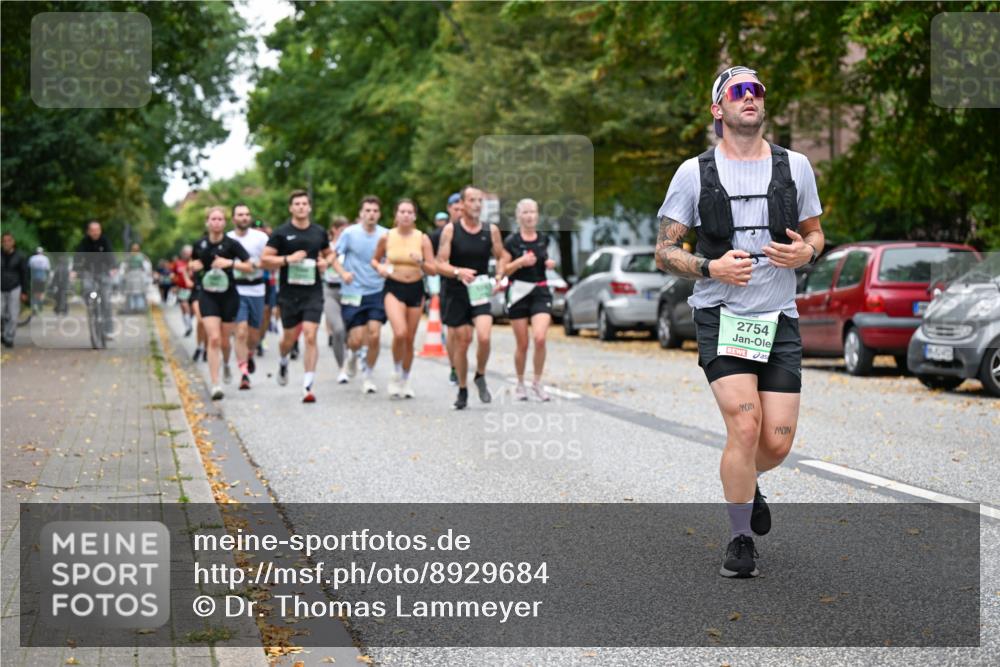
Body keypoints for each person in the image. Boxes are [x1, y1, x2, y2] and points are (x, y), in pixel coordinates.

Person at [654, 66, 824, 579]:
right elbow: (664, 250)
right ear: (718, 109)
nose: (749, 98)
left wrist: (805, 255)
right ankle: (739, 539)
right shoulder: (694, 173)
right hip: (722, 317)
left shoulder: (796, 166)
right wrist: (711, 267)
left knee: (776, 440)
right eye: (737, 92)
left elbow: (816, 235)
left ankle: (748, 484)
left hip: (781, 319)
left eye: (757, 91)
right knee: (744, 426)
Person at [435, 185, 505, 410]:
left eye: (479, 201)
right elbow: (439, 264)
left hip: (480, 291)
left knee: (484, 337)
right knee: (463, 341)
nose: (476, 205)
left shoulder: (490, 230)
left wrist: (499, 276)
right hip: (457, 292)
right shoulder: (451, 231)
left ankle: (480, 374)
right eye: (472, 200)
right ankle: (463, 388)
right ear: (462, 204)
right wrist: (458, 272)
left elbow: (502, 256)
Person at [261, 190, 331, 403]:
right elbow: (264, 259)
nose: (301, 207)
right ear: (291, 208)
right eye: (297, 204)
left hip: (313, 292)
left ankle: (307, 386)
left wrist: (324, 263)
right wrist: (288, 259)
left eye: (304, 203)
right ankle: (283, 360)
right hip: (290, 294)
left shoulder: (319, 232)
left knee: (310, 335)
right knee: (288, 339)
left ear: (309, 207)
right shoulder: (281, 233)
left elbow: (328, 254)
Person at [371, 199, 437, 398]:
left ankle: (406, 379)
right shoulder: (387, 237)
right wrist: (380, 267)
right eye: (402, 211)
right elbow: (374, 260)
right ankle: (396, 372)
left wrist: (421, 262)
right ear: (396, 215)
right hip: (394, 287)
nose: (406, 215)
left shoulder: (422, 238)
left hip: (416, 288)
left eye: (410, 212)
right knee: (399, 332)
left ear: (415, 216)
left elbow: (433, 269)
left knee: (409, 338)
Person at [188, 207, 252, 400]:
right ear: (207, 222)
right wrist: (194, 266)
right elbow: (192, 264)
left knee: (225, 340)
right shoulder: (199, 244)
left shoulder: (232, 244)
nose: (216, 222)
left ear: (225, 223)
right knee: (213, 338)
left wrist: (230, 264)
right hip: (208, 295)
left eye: (220, 219)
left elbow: (250, 266)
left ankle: (226, 364)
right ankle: (215, 384)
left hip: (229, 295)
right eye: (213, 219)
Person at [499, 198, 557, 401]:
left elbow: (547, 259)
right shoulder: (511, 242)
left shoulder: (544, 239)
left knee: (540, 339)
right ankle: (520, 383)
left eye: (533, 212)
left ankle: (537, 383)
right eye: (525, 212)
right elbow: (503, 269)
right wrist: (520, 262)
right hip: (518, 292)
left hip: (540, 291)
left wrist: (549, 263)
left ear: (537, 215)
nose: (530, 216)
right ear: (518, 216)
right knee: (522, 344)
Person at [332, 195, 389, 394]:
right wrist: (343, 273)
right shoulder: (349, 233)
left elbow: (391, 259)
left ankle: (368, 375)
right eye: (367, 211)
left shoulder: (386, 235)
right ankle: (352, 355)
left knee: (374, 334)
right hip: (353, 291)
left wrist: (386, 268)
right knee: (356, 339)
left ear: (379, 214)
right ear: (361, 214)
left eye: (375, 211)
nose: (371, 214)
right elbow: (333, 258)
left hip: (377, 290)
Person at [227, 203, 269, 391]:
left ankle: (250, 353)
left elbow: (269, 260)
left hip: (257, 289)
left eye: (247, 214)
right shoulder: (227, 239)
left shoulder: (260, 238)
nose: (244, 217)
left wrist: (255, 265)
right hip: (236, 290)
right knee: (240, 331)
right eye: (240, 214)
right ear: (233, 218)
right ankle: (244, 373)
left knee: (254, 335)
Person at [73, 220, 116, 339]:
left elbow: (110, 254)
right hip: (89, 272)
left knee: (106, 301)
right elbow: (78, 256)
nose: (95, 233)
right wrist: (74, 270)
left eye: (97, 230)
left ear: (100, 231)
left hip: (104, 272)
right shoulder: (84, 242)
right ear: (88, 231)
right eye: (93, 230)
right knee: (87, 288)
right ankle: (91, 303)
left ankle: (108, 330)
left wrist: (113, 267)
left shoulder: (105, 241)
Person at [323, 215, 350, 383]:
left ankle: (353, 356)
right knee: (338, 329)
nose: (344, 233)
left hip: (350, 291)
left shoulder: (352, 246)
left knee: (353, 333)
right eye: (341, 230)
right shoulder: (327, 247)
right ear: (333, 230)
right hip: (330, 290)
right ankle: (342, 368)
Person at [1, 232, 29, 348]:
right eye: (4, 241)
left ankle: (9, 337)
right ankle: (4, 332)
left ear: (13, 242)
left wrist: (24, 291)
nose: (6, 243)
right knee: (1, 314)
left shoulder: (20, 256)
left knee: (13, 315)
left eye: (9, 241)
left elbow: (24, 274)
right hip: (1, 288)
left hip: (15, 288)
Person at [173, 245, 195, 338]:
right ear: (182, 254)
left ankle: (188, 321)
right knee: (184, 306)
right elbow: (174, 275)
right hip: (182, 289)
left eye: (189, 253)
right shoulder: (178, 263)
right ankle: (188, 327)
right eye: (185, 253)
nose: (187, 255)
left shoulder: (194, 263)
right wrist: (174, 285)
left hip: (193, 289)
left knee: (192, 310)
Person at [122, 243, 151, 313]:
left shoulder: (142, 256)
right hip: (131, 275)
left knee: (139, 292)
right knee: (131, 292)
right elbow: (125, 266)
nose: (135, 249)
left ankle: (139, 307)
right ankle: (132, 307)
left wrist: (146, 274)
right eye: (134, 248)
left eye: (136, 248)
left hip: (139, 275)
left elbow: (146, 266)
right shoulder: (129, 256)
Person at [27, 247, 51, 314]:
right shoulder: (45, 258)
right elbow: (48, 269)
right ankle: (39, 305)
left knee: (34, 292)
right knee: (41, 292)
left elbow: (29, 267)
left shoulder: (32, 258)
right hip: (42, 278)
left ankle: (34, 306)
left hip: (34, 278)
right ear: (42, 252)